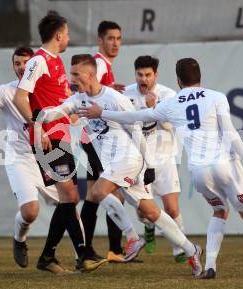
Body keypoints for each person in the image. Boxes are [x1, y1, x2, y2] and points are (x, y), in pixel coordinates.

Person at [79, 58, 243, 279]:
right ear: (200, 77)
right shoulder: (216, 97)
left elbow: (134, 117)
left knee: (219, 212)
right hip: (224, 165)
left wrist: (102, 112)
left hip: (199, 172)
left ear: (178, 80)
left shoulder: (171, 103)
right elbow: (230, 133)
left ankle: (209, 267)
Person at [37, 54, 204, 278]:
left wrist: (149, 165)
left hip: (129, 159)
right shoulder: (78, 100)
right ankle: (191, 250)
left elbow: (136, 130)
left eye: (76, 73)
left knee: (96, 192)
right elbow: (57, 113)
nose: (72, 77)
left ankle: (133, 237)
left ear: (90, 74)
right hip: (114, 165)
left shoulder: (114, 98)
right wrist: (38, 118)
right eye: (71, 72)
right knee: (151, 212)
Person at [12, 11, 107, 273]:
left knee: (68, 197)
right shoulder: (38, 62)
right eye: (66, 34)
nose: (68, 38)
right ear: (58, 35)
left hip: (60, 137)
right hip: (46, 139)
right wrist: (37, 127)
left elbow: (61, 98)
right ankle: (83, 255)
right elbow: (21, 97)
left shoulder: (55, 62)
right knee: (70, 194)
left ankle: (47, 257)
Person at [0, 47, 70, 272]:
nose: (21, 67)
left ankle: (60, 256)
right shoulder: (7, 92)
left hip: (46, 157)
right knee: (31, 211)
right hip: (20, 158)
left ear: (35, 65)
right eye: (17, 63)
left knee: (69, 206)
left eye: (25, 63)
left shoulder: (46, 89)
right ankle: (19, 239)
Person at [124, 55, 186, 262]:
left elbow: (171, 127)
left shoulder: (169, 95)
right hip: (140, 161)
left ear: (155, 75)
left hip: (165, 157)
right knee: (145, 213)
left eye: (148, 75)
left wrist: (155, 108)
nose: (144, 79)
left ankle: (180, 248)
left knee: (171, 207)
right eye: (140, 74)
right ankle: (149, 228)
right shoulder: (127, 95)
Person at [80, 20, 126, 263]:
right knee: (112, 191)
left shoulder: (104, 65)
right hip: (96, 138)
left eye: (118, 38)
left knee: (92, 193)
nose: (115, 43)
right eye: (110, 38)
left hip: (92, 138)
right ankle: (115, 250)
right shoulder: (98, 63)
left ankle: (88, 250)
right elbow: (85, 92)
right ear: (100, 40)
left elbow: (100, 93)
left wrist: (114, 89)